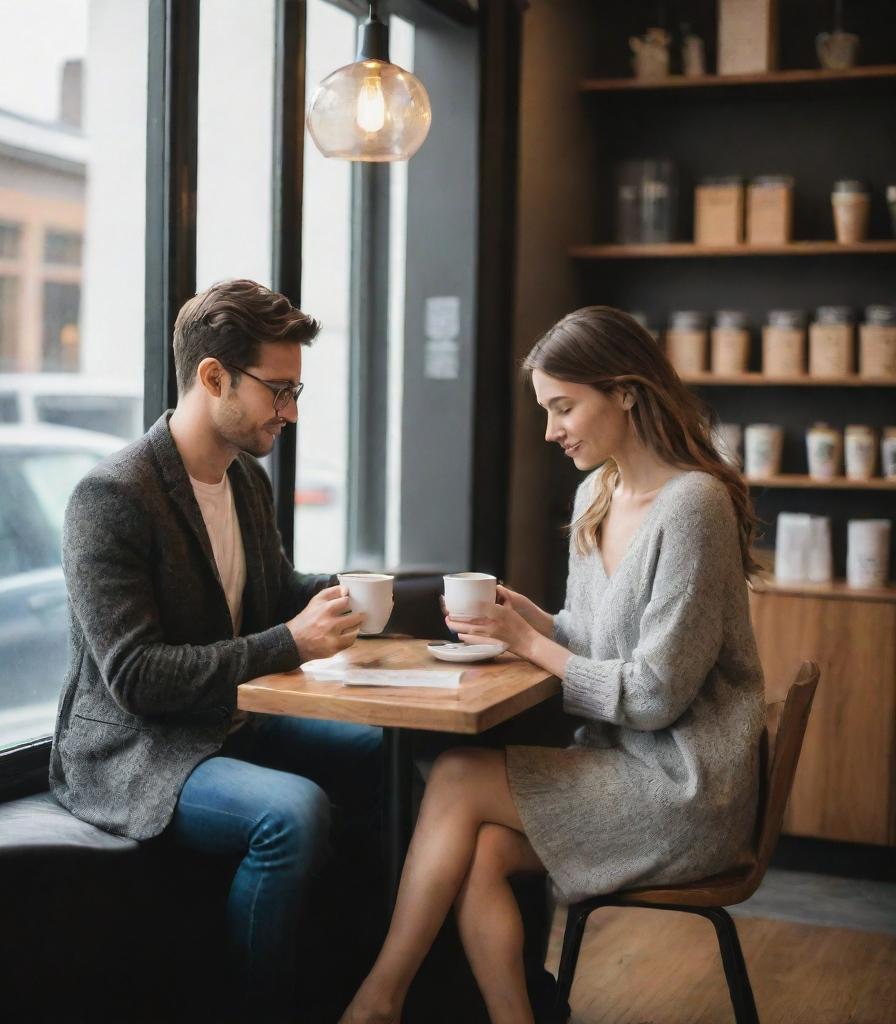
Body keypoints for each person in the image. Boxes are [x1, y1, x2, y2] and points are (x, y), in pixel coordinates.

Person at [341, 306, 766, 1024]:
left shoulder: (694, 507)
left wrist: (528, 642)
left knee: (454, 776)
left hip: (684, 786)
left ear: (626, 391)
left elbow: (656, 694)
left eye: (563, 407)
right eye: (547, 410)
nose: (551, 430)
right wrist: (525, 619)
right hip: (622, 762)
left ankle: (378, 1001)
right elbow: (587, 636)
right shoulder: (598, 494)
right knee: (479, 854)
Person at [49, 278, 382, 1023]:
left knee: (382, 754)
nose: (291, 412)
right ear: (212, 377)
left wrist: (355, 591)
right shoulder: (112, 498)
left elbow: (267, 594)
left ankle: (358, 986)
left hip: (229, 724)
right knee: (292, 813)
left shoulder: (246, 484)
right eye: (279, 390)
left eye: (296, 392)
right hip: (138, 749)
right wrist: (288, 643)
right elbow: (137, 678)